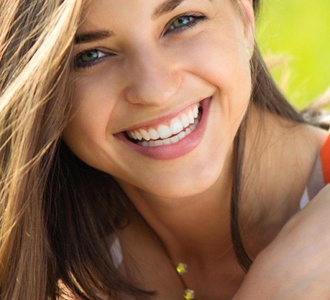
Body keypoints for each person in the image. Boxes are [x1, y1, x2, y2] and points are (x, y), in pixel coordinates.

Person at [0, 0, 330, 299]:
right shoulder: (50, 269)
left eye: (182, 22)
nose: (154, 90)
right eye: (91, 55)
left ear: (244, 16)